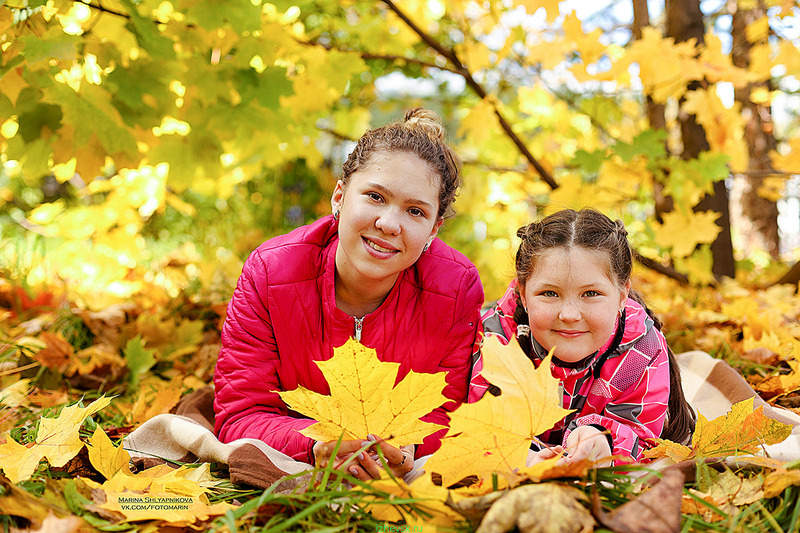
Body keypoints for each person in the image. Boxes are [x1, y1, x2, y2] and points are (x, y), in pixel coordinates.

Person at [213, 108, 484, 481]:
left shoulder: (456, 288)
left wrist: (410, 449)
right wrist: (315, 445)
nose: (389, 224)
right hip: (299, 445)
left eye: (415, 211)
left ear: (434, 229)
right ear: (340, 196)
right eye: (374, 196)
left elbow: (445, 413)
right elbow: (240, 413)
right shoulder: (270, 272)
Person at [478, 209, 695, 465]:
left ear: (622, 294)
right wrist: (516, 456)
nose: (569, 315)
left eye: (590, 293)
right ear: (523, 294)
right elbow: (470, 420)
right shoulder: (493, 339)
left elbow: (643, 435)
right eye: (549, 293)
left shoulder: (640, 352)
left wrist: (602, 438)